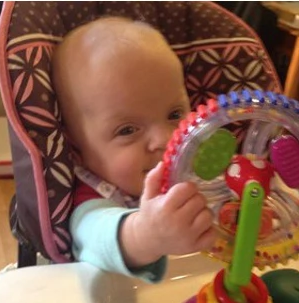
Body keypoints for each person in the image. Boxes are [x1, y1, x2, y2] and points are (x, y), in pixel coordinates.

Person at [51, 17, 216, 281]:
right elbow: (97, 237)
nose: (165, 139)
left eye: (175, 114)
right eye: (127, 130)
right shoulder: (91, 204)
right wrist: (146, 235)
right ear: (76, 147)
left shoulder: (202, 173)